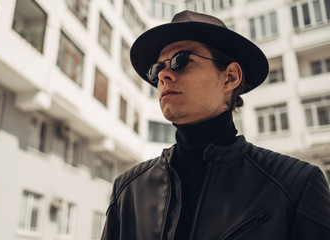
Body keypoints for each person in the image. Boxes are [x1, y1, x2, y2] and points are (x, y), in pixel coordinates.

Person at [101, 10, 330, 240]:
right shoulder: (129, 192)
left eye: (181, 60)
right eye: (158, 68)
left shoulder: (295, 186)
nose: (164, 76)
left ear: (230, 77)